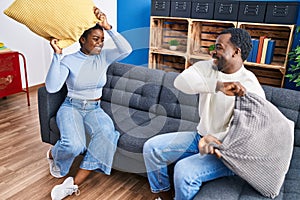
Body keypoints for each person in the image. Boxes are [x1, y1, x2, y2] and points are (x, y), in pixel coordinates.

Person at [143, 28, 266, 200]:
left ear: (236, 52)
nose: (214, 52)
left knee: (184, 171)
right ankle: (165, 197)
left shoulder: (251, 86)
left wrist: (222, 147)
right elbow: (180, 82)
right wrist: (218, 86)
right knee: (152, 148)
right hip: (200, 138)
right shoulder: (207, 68)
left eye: (220, 47)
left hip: (227, 152)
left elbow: (254, 132)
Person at [45, 7, 132, 200]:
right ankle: (53, 154)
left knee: (108, 135)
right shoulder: (69, 60)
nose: (100, 43)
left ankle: (73, 183)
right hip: (72, 107)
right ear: (82, 40)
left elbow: (127, 49)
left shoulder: (104, 57)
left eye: (102, 39)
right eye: (95, 39)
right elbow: (52, 87)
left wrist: (108, 28)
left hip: (94, 109)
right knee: (74, 146)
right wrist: (57, 56)